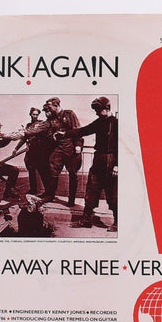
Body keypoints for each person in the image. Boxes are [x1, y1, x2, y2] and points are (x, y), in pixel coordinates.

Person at [61, 97, 118, 232]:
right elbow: (83, 131)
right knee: (92, 189)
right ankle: (86, 220)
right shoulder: (99, 122)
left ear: (106, 109)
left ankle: (117, 222)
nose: (96, 113)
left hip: (111, 160)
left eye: (98, 110)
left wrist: (117, 165)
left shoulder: (116, 123)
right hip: (98, 159)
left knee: (112, 193)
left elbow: (121, 146)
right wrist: (64, 134)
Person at [41, 97, 83, 206]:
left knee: (72, 174)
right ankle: (50, 196)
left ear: (56, 105)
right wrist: (52, 136)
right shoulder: (52, 119)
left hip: (71, 148)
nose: (49, 109)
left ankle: (71, 200)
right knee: (52, 170)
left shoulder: (69, 114)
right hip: (58, 148)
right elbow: (49, 133)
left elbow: (77, 129)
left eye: (50, 106)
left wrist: (78, 145)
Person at [13, 107, 47, 195]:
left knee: (42, 171)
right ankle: (33, 190)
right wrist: (16, 148)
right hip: (30, 151)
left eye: (37, 114)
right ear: (30, 114)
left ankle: (48, 191)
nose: (35, 116)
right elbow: (24, 138)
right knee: (31, 170)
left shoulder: (41, 123)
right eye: (33, 114)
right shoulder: (28, 125)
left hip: (39, 151)